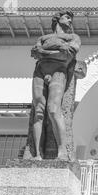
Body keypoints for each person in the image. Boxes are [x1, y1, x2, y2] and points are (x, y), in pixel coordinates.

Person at [30, 10, 81, 160]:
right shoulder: (43, 37)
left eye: (70, 19)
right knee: (38, 110)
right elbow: (34, 53)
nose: (70, 21)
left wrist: (44, 52)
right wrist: (57, 50)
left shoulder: (73, 37)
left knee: (53, 109)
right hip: (40, 71)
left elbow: (67, 54)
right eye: (67, 18)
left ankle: (62, 151)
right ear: (58, 19)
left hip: (58, 71)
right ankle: (37, 154)